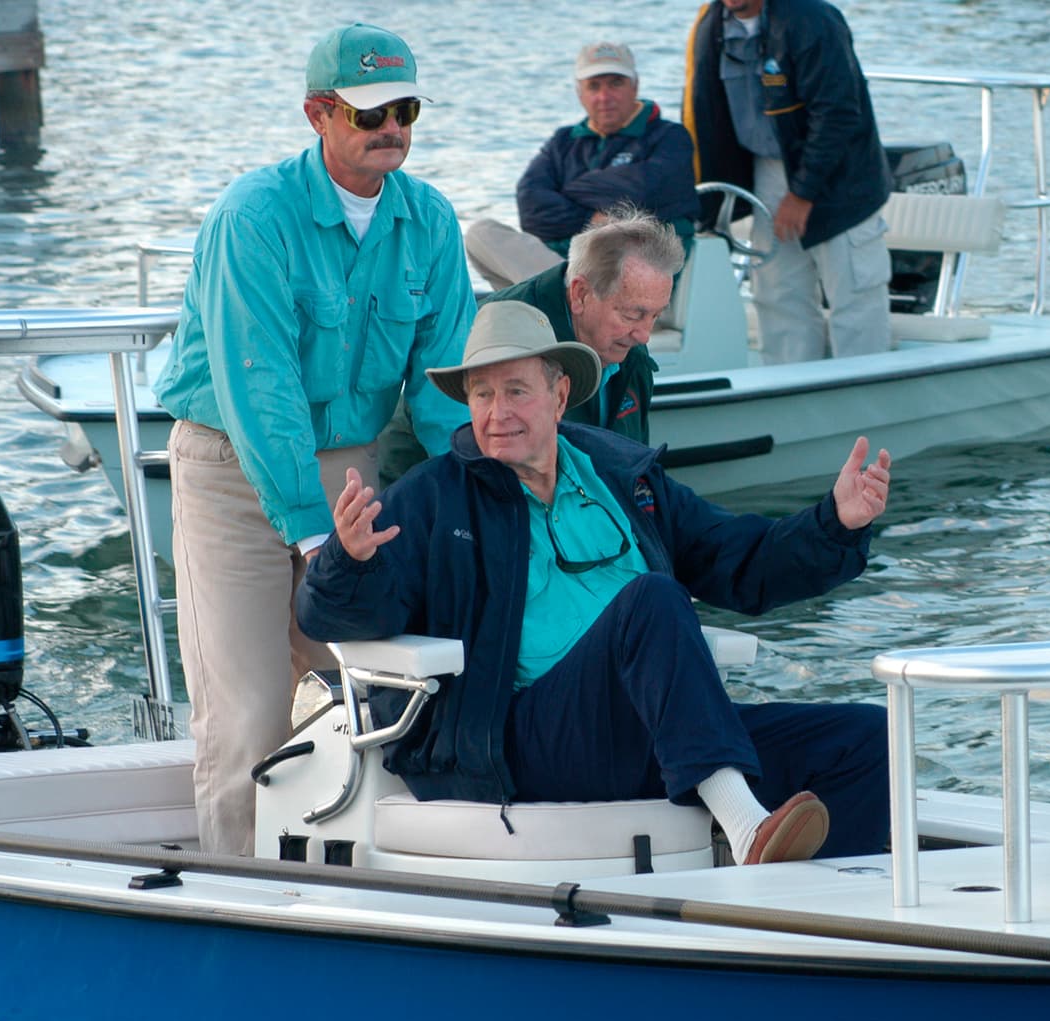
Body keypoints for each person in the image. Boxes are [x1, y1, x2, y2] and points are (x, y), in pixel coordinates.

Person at [298, 300, 893, 864]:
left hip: (659, 727)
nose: (497, 413)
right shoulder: (432, 499)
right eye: (481, 394)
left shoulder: (622, 478)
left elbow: (743, 562)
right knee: (654, 600)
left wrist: (835, 523)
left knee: (867, 742)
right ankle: (743, 826)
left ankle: (833, 928)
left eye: (515, 391)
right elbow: (334, 619)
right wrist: (349, 560)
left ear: (559, 396)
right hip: (519, 740)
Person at [152, 23, 476, 856]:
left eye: (404, 109)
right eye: (370, 114)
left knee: (366, 696)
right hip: (232, 466)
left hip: (351, 470)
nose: (391, 128)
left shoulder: (431, 221)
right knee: (249, 712)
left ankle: (345, 887)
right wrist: (310, 531)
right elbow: (260, 389)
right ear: (317, 114)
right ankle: (233, 898)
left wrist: (472, 503)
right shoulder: (252, 216)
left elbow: (445, 391)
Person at [683, 0, 893, 364]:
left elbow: (838, 113)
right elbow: (700, 113)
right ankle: (790, 387)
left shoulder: (813, 18)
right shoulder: (711, 23)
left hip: (840, 175)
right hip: (766, 169)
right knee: (777, 293)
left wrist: (802, 193)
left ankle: (864, 391)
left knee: (853, 294)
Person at [465, 41, 700, 291]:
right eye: (594, 86)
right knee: (481, 234)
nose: (604, 96)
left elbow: (642, 189)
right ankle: (563, 302)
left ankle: (560, 302)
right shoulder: (563, 142)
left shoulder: (670, 137)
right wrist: (590, 217)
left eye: (615, 83)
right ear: (580, 94)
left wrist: (565, 194)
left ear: (635, 86)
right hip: (566, 263)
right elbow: (531, 207)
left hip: (629, 273)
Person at [484, 205, 681, 442]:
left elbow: (637, 462)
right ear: (580, 294)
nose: (644, 336)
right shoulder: (499, 341)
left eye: (655, 316)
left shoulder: (627, 341)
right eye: (631, 315)